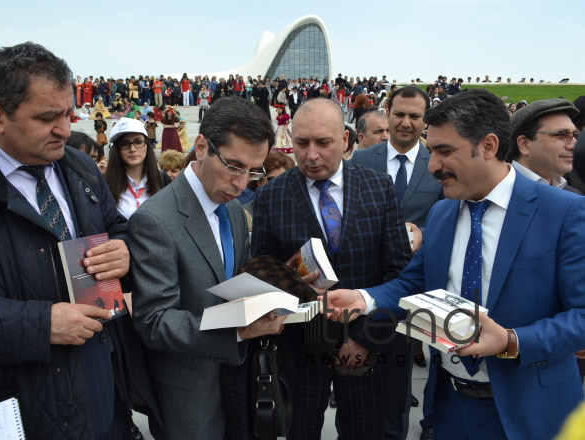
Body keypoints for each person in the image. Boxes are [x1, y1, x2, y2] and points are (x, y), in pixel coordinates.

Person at [0, 42, 161, 440]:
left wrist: (125, 252)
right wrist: (40, 325)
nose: (66, 130)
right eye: (48, 117)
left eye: (68, 114)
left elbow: (117, 229)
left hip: (105, 391)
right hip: (18, 411)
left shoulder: (80, 166)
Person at [323, 89, 585, 440]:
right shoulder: (443, 212)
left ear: (489, 146)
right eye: (431, 152)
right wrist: (364, 299)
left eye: (445, 152)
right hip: (450, 408)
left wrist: (510, 341)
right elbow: (413, 282)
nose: (432, 166)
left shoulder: (564, 212)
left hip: (533, 413)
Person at [251, 98, 412, 440]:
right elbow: (260, 272)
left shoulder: (379, 188)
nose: (311, 155)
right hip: (300, 349)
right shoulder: (271, 197)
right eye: (301, 143)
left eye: (323, 143)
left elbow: (399, 273)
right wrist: (289, 281)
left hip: (368, 346)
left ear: (345, 140)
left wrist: (364, 339)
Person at [129, 96, 286, 440]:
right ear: (201, 147)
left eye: (253, 171)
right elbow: (154, 321)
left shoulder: (230, 209)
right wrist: (238, 332)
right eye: (234, 166)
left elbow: (231, 282)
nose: (242, 184)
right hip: (190, 395)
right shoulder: (155, 220)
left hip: (239, 379)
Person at [351, 85, 444, 440]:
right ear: (387, 113)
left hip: (415, 289)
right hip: (368, 285)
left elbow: (447, 216)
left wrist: (420, 231)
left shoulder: (436, 162)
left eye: (415, 116)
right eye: (399, 114)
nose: (406, 122)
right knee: (357, 378)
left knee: (399, 380)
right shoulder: (362, 160)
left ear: (425, 120)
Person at [509, 98, 581, 193]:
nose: (573, 145)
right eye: (561, 135)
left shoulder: (574, 194)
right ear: (524, 144)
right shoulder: (493, 194)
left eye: (575, 135)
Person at [104, 118, 168, 220]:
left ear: (147, 144)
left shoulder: (162, 178)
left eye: (138, 142)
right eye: (125, 144)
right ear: (117, 149)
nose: (132, 149)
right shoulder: (105, 183)